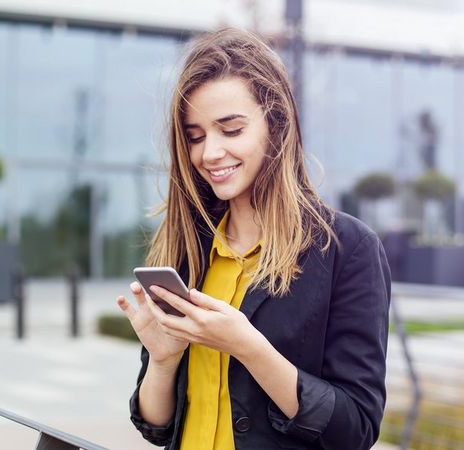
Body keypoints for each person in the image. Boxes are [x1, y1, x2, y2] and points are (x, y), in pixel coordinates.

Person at [116, 28, 391, 450]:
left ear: (275, 124)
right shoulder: (190, 251)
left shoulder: (346, 249)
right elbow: (155, 426)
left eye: (231, 130)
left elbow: (355, 428)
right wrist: (163, 361)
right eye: (195, 136)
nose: (209, 154)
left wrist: (249, 348)